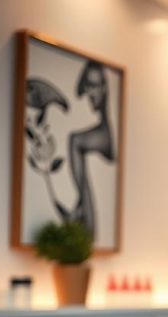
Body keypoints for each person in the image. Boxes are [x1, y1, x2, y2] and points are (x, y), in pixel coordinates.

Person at [68, 60, 116, 240]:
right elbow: (79, 91)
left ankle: (84, 214)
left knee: (75, 141)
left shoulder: (109, 130)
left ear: (105, 88)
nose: (90, 93)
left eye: (94, 86)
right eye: (89, 87)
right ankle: (83, 212)